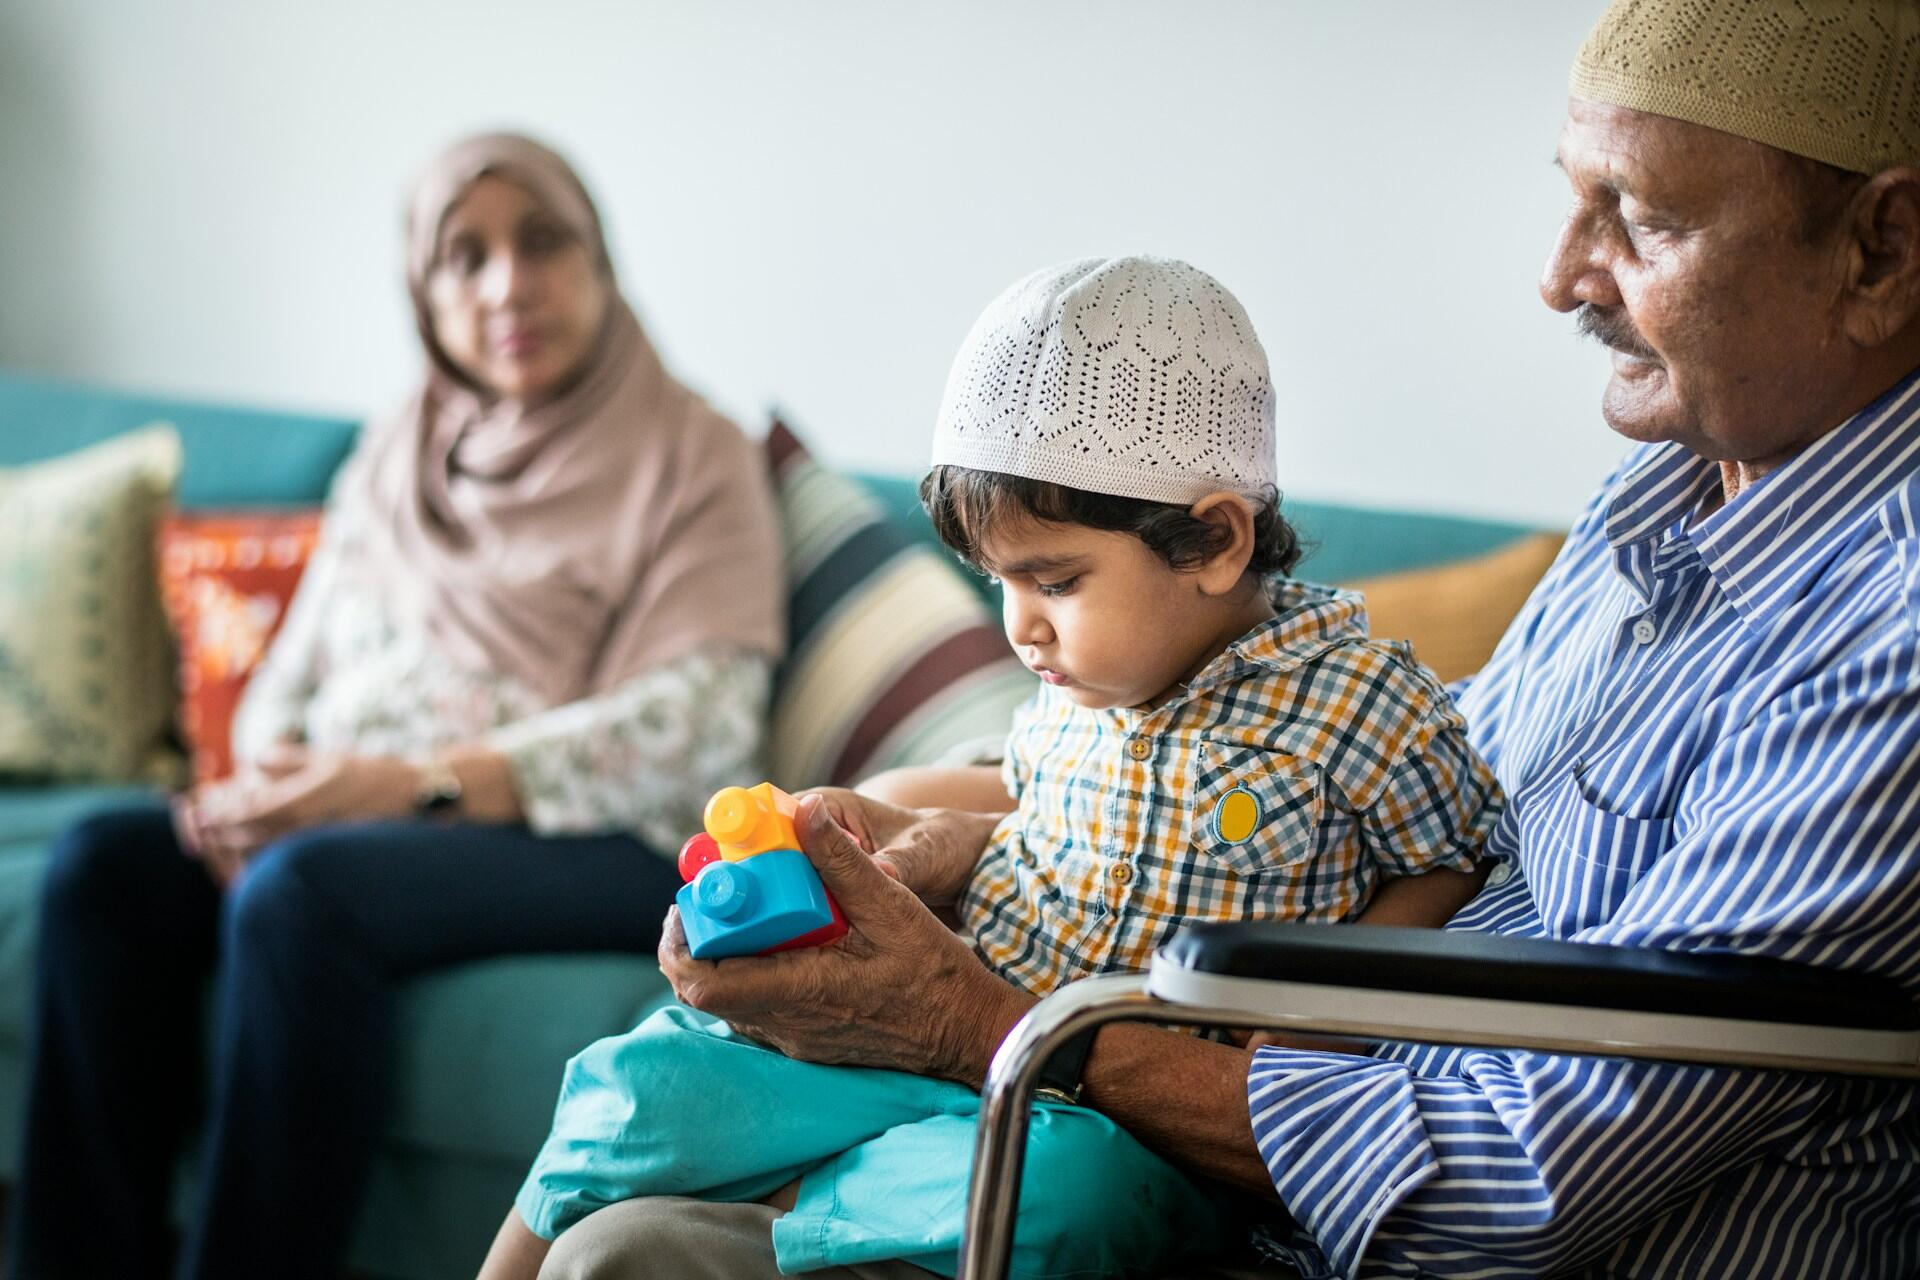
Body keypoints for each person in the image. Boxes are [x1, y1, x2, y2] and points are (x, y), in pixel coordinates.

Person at [531, 2, 1920, 1277]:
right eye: (1574, 199)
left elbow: (1516, 1181)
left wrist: (983, 1020)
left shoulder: (1885, 640)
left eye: (1645, 219)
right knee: (628, 1241)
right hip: (1223, 1134)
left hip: (1362, 1216)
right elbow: (1423, 779)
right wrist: (979, 835)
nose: (1562, 279)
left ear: (1884, 248)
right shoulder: (1668, 498)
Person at [477, 257, 1502, 1280]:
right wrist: (874, 809)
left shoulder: (1359, 701)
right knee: (641, 1074)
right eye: (1000, 582)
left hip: (1111, 1114)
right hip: (945, 1043)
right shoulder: (1083, 680)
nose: (1020, 626)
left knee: (1060, 1197)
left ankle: (805, 1202)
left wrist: (1320, 1021)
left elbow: (1451, 852)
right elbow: (1015, 793)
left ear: (1217, 541)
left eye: (1054, 579)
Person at [5, 133, 785, 1280]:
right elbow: (294, 669)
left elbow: (693, 726)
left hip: (586, 831)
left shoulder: (693, 451)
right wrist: (264, 781)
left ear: (602, 261)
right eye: (462, 259)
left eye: (543, 241)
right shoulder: (396, 449)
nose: (507, 284)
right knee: (103, 869)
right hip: (355, 814)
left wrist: (412, 785)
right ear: (423, 295)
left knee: (304, 893)